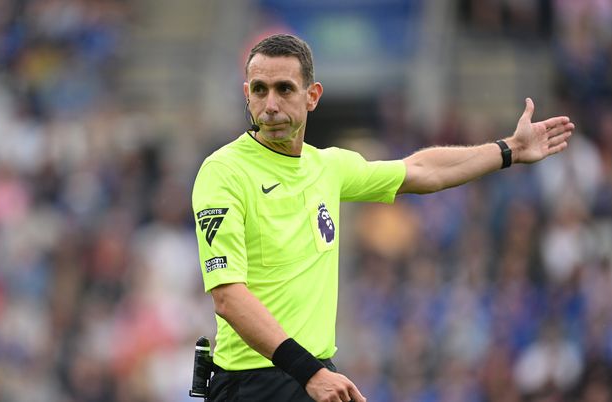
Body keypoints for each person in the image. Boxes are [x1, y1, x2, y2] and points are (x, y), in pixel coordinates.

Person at [191, 33, 574, 402]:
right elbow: (228, 297)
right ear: (246, 94)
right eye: (259, 89)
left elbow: (423, 170)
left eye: (284, 89)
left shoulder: (327, 167)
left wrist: (509, 149)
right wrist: (310, 372)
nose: (270, 103)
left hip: (312, 374)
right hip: (253, 383)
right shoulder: (224, 172)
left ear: (312, 96)